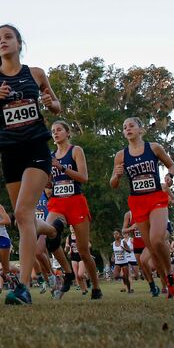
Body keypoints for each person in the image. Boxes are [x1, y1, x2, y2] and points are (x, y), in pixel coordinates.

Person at [0, 24, 63, 305]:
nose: (3, 42)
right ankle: (52, 229)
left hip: (36, 148)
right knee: (26, 219)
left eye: (8, 37)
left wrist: (51, 102)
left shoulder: (36, 74)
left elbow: (56, 105)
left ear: (19, 43)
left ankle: (23, 288)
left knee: (22, 214)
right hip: (10, 152)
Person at [111, 118, 174, 298]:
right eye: (124, 127)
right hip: (137, 202)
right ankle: (166, 281)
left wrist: (170, 175)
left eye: (131, 126)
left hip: (156, 197)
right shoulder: (121, 155)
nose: (128, 129)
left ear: (141, 130)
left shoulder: (154, 148)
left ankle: (171, 274)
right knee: (152, 248)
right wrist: (117, 176)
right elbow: (113, 184)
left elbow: (172, 165)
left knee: (157, 239)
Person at [46, 120, 101, 300]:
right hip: (57, 203)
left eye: (59, 130)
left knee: (84, 252)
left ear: (68, 133)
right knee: (49, 235)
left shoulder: (76, 151)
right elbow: (48, 182)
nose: (55, 133)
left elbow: (84, 177)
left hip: (76, 201)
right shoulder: (51, 155)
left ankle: (96, 287)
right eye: (53, 131)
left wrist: (61, 167)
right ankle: (68, 273)